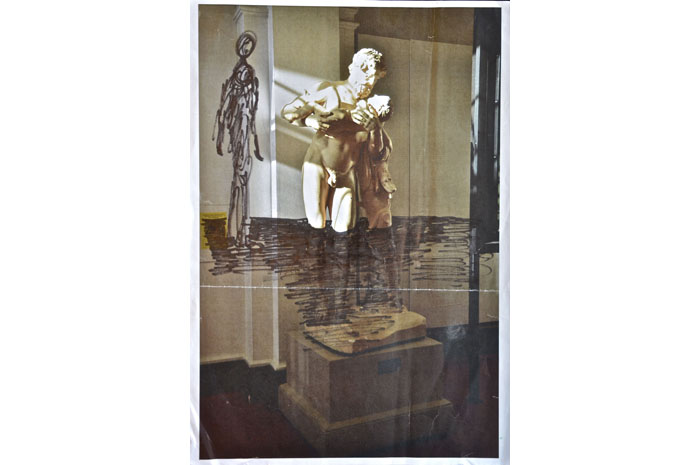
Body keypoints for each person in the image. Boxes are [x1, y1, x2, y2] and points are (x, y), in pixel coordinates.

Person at [280, 48, 389, 232]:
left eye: (376, 79)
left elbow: (376, 152)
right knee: (317, 225)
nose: (371, 83)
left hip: (346, 172)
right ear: (357, 69)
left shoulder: (371, 109)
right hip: (319, 165)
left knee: (345, 229)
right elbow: (288, 111)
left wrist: (376, 128)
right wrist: (309, 120)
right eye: (370, 76)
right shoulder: (329, 90)